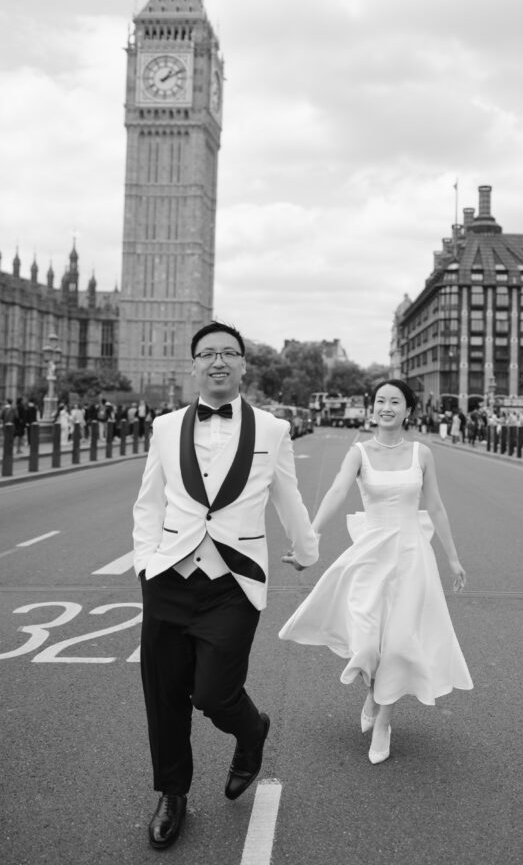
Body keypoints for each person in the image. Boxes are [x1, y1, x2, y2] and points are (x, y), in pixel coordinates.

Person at [132, 321, 318, 851]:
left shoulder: (274, 430)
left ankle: (251, 730)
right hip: (168, 578)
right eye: (208, 354)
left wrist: (305, 551)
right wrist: (146, 562)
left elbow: (289, 498)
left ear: (243, 365)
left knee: (213, 693)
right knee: (164, 695)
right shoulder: (165, 428)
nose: (218, 361)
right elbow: (149, 501)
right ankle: (172, 794)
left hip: (233, 582)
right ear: (193, 365)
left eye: (228, 353)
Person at [279, 379, 473, 766]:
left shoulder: (422, 453)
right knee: (367, 645)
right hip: (371, 555)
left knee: (399, 643)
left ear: (408, 410)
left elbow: (434, 507)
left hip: (412, 557)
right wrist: (309, 538)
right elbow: (335, 492)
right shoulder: (359, 452)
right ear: (374, 408)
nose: (387, 407)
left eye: (395, 401)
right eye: (381, 401)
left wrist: (453, 557)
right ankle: (373, 691)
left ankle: (384, 720)